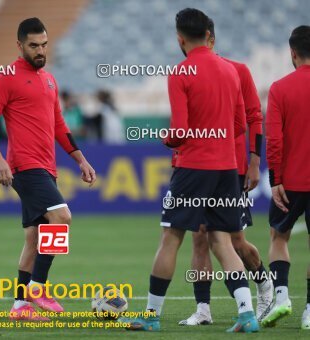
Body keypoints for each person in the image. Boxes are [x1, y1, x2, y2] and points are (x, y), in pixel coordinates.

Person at [119, 8, 258, 332]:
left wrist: (166, 139)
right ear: (208, 35)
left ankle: (152, 316)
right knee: (222, 241)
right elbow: (240, 124)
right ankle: (247, 314)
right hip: (227, 168)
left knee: (171, 237)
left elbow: (180, 131)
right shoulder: (230, 71)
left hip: (194, 167)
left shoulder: (181, 73)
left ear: (180, 38)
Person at [0, 17, 96, 321]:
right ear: (20, 45)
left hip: (47, 167)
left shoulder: (49, 79)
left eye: (44, 44)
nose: (40, 50)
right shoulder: (6, 77)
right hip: (24, 165)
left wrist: (80, 159)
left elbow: (59, 125)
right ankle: (38, 287)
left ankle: (20, 307)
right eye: (34, 45)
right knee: (61, 217)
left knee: (34, 238)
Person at [178, 18, 273, 326]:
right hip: (199, 167)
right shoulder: (188, 74)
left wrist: (255, 162)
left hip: (231, 169)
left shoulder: (236, 70)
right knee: (199, 237)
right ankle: (203, 309)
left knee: (235, 240)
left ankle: (264, 285)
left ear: (211, 39)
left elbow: (254, 117)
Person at [261, 25, 310, 330]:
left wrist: (275, 177)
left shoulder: (280, 88)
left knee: (279, 236)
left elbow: (274, 138)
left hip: (290, 179)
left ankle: (281, 298)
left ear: (292, 53)